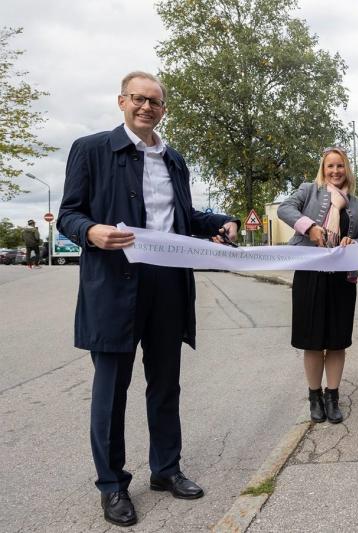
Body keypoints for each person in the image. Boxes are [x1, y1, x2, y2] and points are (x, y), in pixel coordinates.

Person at [57, 71, 239, 527]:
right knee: (111, 391)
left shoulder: (174, 160)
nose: (147, 107)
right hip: (114, 287)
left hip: (168, 284)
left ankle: (166, 469)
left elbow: (184, 217)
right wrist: (91, 232)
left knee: (165, 384)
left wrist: (223, 220)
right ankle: (112, 484)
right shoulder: (92, 149)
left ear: (163, 109)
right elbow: (68, 215)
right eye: (138, 99)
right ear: (122, 101)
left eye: (155, 102)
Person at [277, 147, 358, 424]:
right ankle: (314, 397)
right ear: (323, 169)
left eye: (340, 166)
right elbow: (285, 209)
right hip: (310, 274)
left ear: (347, 169)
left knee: (337, 341)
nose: (335, 171)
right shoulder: (309, 191)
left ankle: (333, 397)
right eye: (330, 166)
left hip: (342, 279)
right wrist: (309, 227)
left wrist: (353, 243)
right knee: (313, 341)